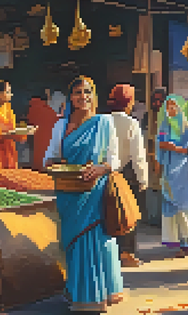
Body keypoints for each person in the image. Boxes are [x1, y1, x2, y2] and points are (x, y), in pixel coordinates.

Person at [43, 76, 123, 312]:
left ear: (94, 95)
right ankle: (77, 291)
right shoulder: (61, 125)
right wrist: (59, 166)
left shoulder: (104, 122)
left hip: (95, 191)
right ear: (70, 98)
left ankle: (96, 295)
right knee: (73, 243)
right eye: (77, 92)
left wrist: (101, 168)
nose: (83, 97)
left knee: (95, 241)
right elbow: (48, 158)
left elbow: (115, 160)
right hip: (69, 193)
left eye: (87, 91)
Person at [108, 84, 149, 267]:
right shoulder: (131, 123)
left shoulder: (102, 120)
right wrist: (143, 179)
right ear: (129, 102)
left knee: (108, 214)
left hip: (106, 173)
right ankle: (126, 253)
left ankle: (111, 253)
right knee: (129, 215)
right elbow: (137, 154)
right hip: (126, 174)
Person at [156, 94, 188, 259]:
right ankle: (177, 241)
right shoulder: (165, 125)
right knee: (171, 205)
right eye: (168, 107)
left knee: (184, 204)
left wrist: (176, 148)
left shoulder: (186, 127)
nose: (171, 110)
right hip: (169, 169)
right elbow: (161, 144)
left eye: (174, 106)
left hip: (183, 169)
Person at [0, 81, 34, 169]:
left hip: (9, 152)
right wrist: (5, 135)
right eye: (8, 92)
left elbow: (13, 130)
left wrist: (23, 133)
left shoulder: (9, 111)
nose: (11, 95)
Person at [27, 95, 59, 171]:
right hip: (49, 139)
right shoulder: (50, 111)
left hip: (36, 139)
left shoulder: (31, 109)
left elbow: (30, 122)